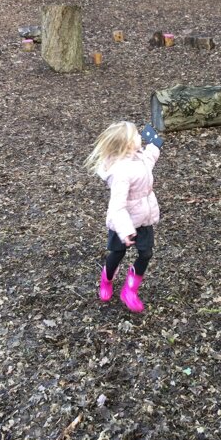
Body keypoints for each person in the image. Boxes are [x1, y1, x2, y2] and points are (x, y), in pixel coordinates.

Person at [84, 121, 161, 312]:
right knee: (117, 254)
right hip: (123, 224)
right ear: (127, 144)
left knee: (146, 253)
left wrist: (155, 145)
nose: (140, 137)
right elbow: (117, 206)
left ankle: (130, 290)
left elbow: (149, 160)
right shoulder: (120, 172)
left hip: (143, 219)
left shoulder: (139, 157)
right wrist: (125, 230)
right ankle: (107, 280)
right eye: (136, 135)